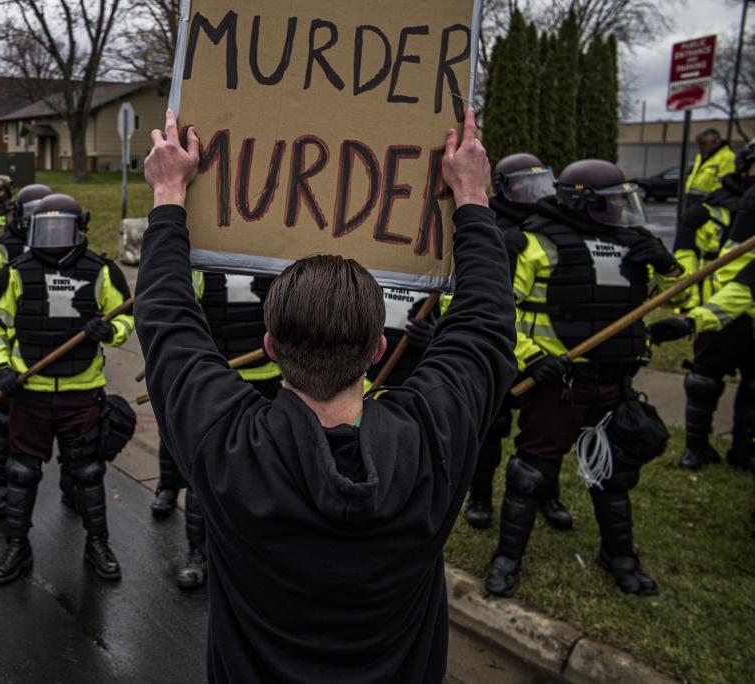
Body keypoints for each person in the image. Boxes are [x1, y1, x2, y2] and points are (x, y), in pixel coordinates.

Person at [136, 108, 515, 681]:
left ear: (268, 346)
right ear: (376, 350)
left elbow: (165, 321)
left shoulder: (227, 451)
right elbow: (486, 326)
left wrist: (169, 194)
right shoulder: (429, 446)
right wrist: (472, 197)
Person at [487, 158, 681, 599]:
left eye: (621, 201)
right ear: (583, 202)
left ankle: (619, 557)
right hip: (559, 381)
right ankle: (506, 558)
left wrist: (670, 268)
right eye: (610, 202)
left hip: (616, 382)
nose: (619, 210)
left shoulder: (637, 244)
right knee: (531, 474)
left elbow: (674, 296)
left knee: (614, 475)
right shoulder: (532, 242)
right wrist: (530, 358)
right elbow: (499, 310)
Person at [0, 193, 134, 585]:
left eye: (62, 228)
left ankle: (97, 543)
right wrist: (1, 370)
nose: (53, 237)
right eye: (44, 229)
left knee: (88, 471)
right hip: (29, 393)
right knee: (21, 472)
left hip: (81, 393)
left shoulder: (100, 270)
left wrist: (108, 330)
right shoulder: (16, 271)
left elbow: (127, 321)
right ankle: (17, 545)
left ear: (79, 227)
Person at [156, 269, 282, 591]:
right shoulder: (202, 267)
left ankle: (251, 554)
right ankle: (198, 553)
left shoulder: (274, 263)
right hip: (217, 383)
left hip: (267, 381)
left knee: (262, 477)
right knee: (205, 477)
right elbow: (182, 314)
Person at [464, 153, 572, 531]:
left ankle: (547, 494)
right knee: (489, 429)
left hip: (545, 354)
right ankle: (479, 497)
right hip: (500, 351)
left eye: (539, 183)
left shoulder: (553, 225)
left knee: (546, 432)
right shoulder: (485, 221)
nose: (534, 192)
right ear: (505, 188)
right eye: (524, 185)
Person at [652, 152, 755, 470]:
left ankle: (744, 451)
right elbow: (688, 265)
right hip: (715, 311)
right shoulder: (706, 212)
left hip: (745, 310)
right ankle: (696, 448)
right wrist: (691, 312)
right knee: (703, 382)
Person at [0, 182, 52, 518]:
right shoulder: (1, 252)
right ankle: (3, 485)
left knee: (75, 435)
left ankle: (75, 488)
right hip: (12, 360)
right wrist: (0, 353)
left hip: (60, 355)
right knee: (4, 424)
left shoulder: (67, 249)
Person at [684, 128, 736, 201]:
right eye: (699, 143)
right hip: (691, 197)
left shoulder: (727, 157)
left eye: (703, 143)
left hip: (708, 200)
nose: (700, 147)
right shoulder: (700, 156)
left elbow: (724, 182)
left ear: (714, 142)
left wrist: (711, 198)